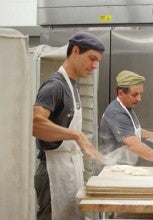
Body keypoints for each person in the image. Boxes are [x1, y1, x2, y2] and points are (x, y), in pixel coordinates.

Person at [33, 31, 106, 220]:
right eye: (92, 58)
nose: (94, 66)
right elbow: (36, 125)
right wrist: (76, 136)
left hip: (68, 168)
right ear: (75, 51)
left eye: (97, 61)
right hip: (52, 171)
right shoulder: (55, 85)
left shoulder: (71, 85)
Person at [96, 70, 153, 173]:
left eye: (140, 94)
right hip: (111, 168)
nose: (139, 99)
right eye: (134, 94)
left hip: (122, 166)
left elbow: (134, 130)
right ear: (120, 93)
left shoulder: (127, 108)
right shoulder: (117, 113)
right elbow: (134, 145)